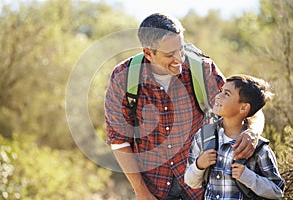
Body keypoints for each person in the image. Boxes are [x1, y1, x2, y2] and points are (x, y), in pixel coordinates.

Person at [105, 13, 264, 200]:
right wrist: (141, 192)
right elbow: (119, 141)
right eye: (169, 54)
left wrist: (252, 132)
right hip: (153, 186)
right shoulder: (123, 77)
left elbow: (245, 107)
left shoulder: (201, 68)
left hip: (202, 183)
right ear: (148, 53)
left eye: (181, 49)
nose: (179, 59)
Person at [184, 74, 285, 199]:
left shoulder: (258, 148)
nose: (217, 96)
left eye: (226, 94)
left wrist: (248, 176)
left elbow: (277, 192)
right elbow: (190, 181)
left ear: (243, 108)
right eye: (221, 91)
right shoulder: (204, 136)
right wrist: (199, 165)